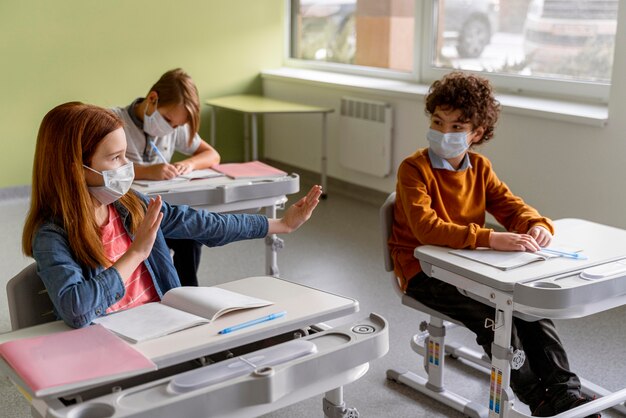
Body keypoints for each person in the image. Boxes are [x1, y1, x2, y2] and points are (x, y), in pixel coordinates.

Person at [388, 72, 599, 418]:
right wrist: (489, 237)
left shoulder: (480, 168)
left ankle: (566, 394)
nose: (444, 133)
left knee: (530, 309)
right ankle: (539, 399)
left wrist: (536, 224)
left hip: (469, 267)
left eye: (457, 127)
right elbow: (427, 229)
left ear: (477, 133)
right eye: (438, 122)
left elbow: (510, 206)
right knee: (495, 318)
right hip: (422, 270)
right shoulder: (414, 169)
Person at [22, 102, 322, 330]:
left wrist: (280, 224)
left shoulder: (130, 205)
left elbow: (204, 224)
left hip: (163, 329)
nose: (127, 166)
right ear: (76, 169)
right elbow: (76, 310)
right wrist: (137, 252)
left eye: (125, 154)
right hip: (108, 345)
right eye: (115, 158)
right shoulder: (51, 235)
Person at [111, 68, 220, 287]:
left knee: (190, 236)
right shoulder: (113, 122)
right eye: (168, 120)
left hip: (158, 212)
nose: (171, 129)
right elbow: (100, 169)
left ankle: (188, 295)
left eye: (177, 126)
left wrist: (187, 163)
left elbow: (212, 155)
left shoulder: (176, 128)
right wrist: (145, 171)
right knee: (153, 244)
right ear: (152, 99)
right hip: (123, 213)